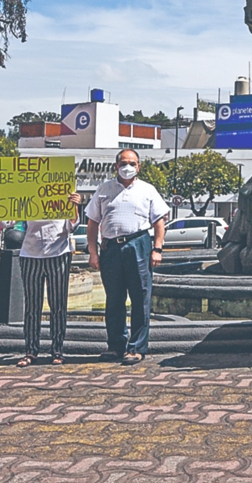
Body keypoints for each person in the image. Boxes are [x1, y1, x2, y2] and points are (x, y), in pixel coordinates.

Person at [85, 149, 168, 365]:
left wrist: (157, 248)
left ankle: (137, 347)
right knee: (114, 299)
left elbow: (159, 221)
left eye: (132, 163)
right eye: (123, 162)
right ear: (115, 166)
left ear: (139, 166)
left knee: (140, 298)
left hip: (138, 244)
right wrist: (93, 252)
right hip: (111, 248)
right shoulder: (104, 190)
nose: (127, 166)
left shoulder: (148, 190)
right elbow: (93, 222)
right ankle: (115, 346)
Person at [16, 191, 81, 367]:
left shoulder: (63, 192)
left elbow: (71, 226)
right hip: (30, 254)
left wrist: (75, 205)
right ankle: (31, 350)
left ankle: (57, 350)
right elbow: (6, 221)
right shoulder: (26, 195)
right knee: (32, 305)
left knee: (58, 305)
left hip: (58, 253)